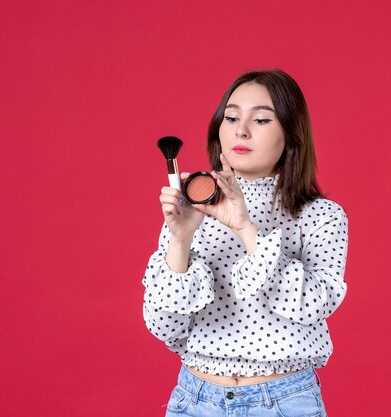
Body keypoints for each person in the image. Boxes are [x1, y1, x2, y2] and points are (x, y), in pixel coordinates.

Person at [143, 69, 348, 417]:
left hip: (284, 402)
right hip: (195, 401)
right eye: (232, 116)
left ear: (291, 134)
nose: (241, 130)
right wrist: (180, 240)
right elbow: (166, 328)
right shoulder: (192, 204)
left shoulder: (322, 216)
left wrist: (244, 227)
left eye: (262, 119)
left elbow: (312, 306)